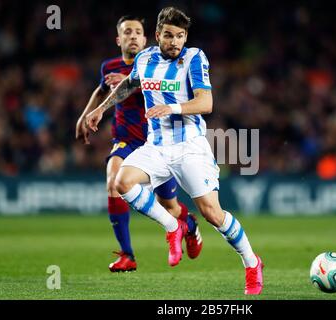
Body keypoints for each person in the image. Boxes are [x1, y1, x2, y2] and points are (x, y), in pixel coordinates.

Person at [86, 7, 263, 295]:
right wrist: (100, 109)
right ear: (157, 36)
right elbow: (129, 86)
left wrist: (173, 107)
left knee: (213, 214)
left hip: (190, 147)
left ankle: (252, 263)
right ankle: (173, 227)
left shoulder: (193, 58)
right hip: (156, 146)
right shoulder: (144, 58)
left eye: (180, 36)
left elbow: (206, 103)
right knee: (120, 182)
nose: (175, 42)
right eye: (169, 36)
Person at [76, 15, 203, 273]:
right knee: (113, 181)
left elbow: (145, 85)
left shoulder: (156, 63)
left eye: (137, 32)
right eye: (127, 32)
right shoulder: (109, 66)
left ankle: (188, 225)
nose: (133, 36)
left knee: (169, 205)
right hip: (125, 138)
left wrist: (125, 83)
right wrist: (86, 114)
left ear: (147, 39)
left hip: (157, 143)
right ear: (119, 39)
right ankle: (127, 255)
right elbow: (101, 90)